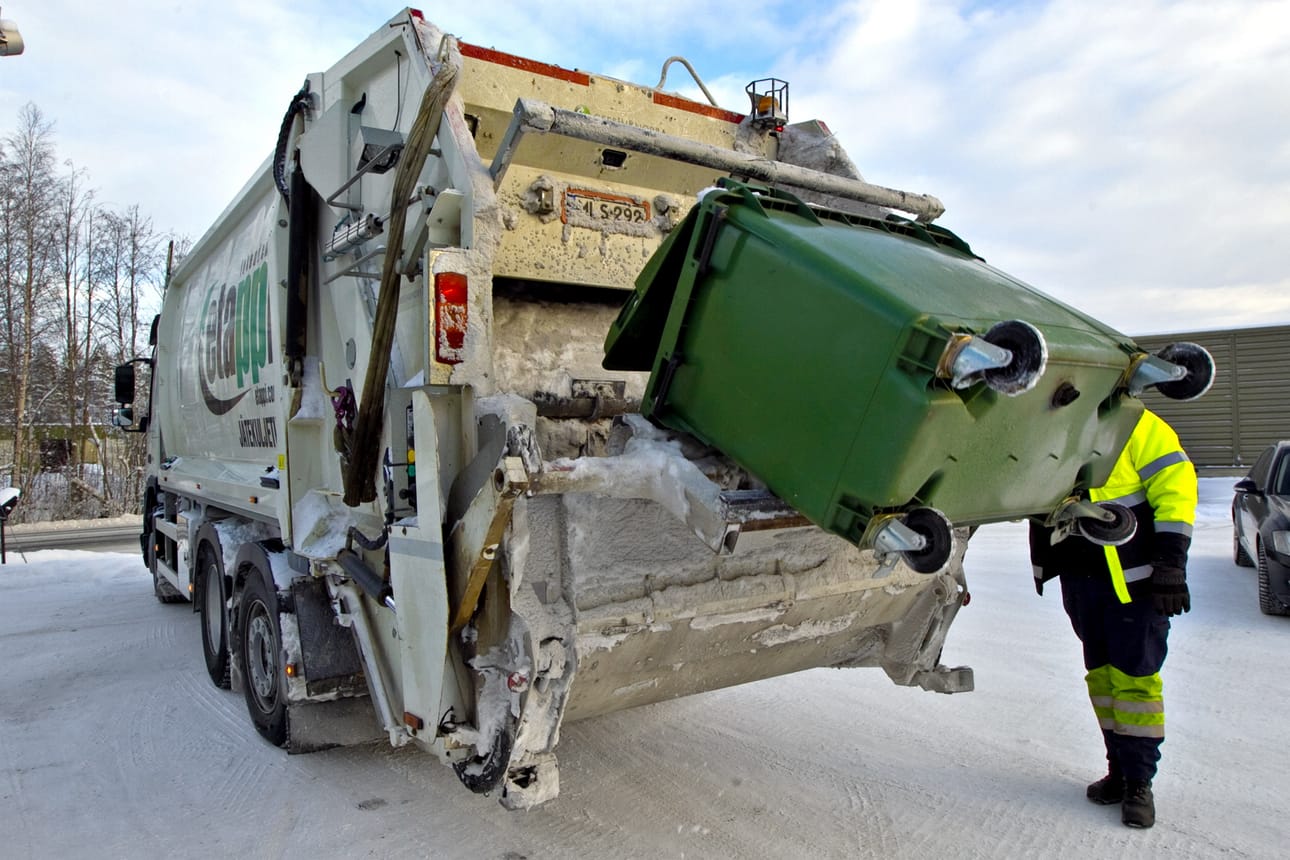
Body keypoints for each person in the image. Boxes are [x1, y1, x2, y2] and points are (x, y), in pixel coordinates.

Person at [1029, 407, 1196, 829]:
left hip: (1134, 583)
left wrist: (1171, 565)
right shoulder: (1054, 423)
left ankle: (1140, 783)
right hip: (1083, 581)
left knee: (1135, 682)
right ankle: (1118, 770)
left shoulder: (1139, 424)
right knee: (1102, 680)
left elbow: (1176, 488)